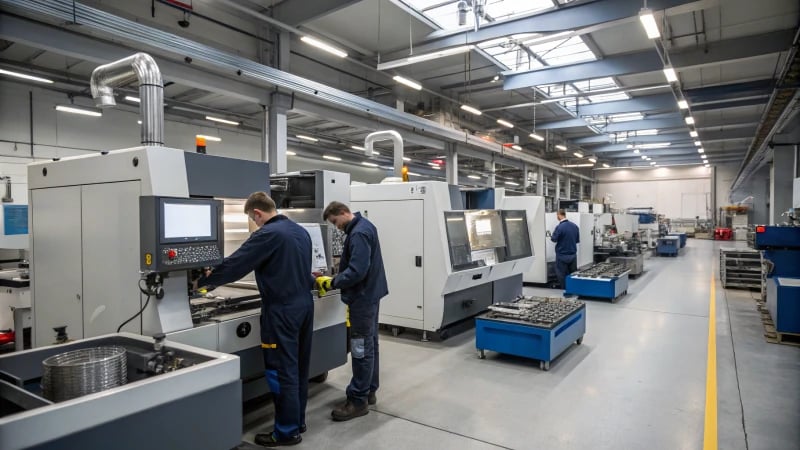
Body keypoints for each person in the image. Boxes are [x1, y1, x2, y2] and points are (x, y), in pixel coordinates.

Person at [195, 192, 313, 448]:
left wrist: (201, 282)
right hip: (304, 306)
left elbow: (238, 264)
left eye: (253, 219)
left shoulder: (267, 234)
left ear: (257, 213)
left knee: (281, 372)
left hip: (281, 312)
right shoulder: (299, 231)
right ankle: (297, 420)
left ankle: (285, 432)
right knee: (298, 369)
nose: (254, 223)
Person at [317, 201, 388, 422]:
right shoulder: (366, 225)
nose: (337, 228)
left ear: (343, 213)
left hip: (362, 299)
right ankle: (369, 391)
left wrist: (332, 282)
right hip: (371, 295)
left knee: (360, 348)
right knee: (370, 344)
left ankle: (358, 401)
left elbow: (357, 271)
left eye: (336, 223)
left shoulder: (358, 233)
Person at [550, 209, 580, 291]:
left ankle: (565, 289)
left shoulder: (559, 227)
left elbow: (554, 239)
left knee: (561, 273)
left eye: (557, 215)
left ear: (559, 215)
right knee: (573, 273)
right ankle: (573, 288)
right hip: (573, 255)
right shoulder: (575, 226)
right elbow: (577, 240)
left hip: (562, 255)